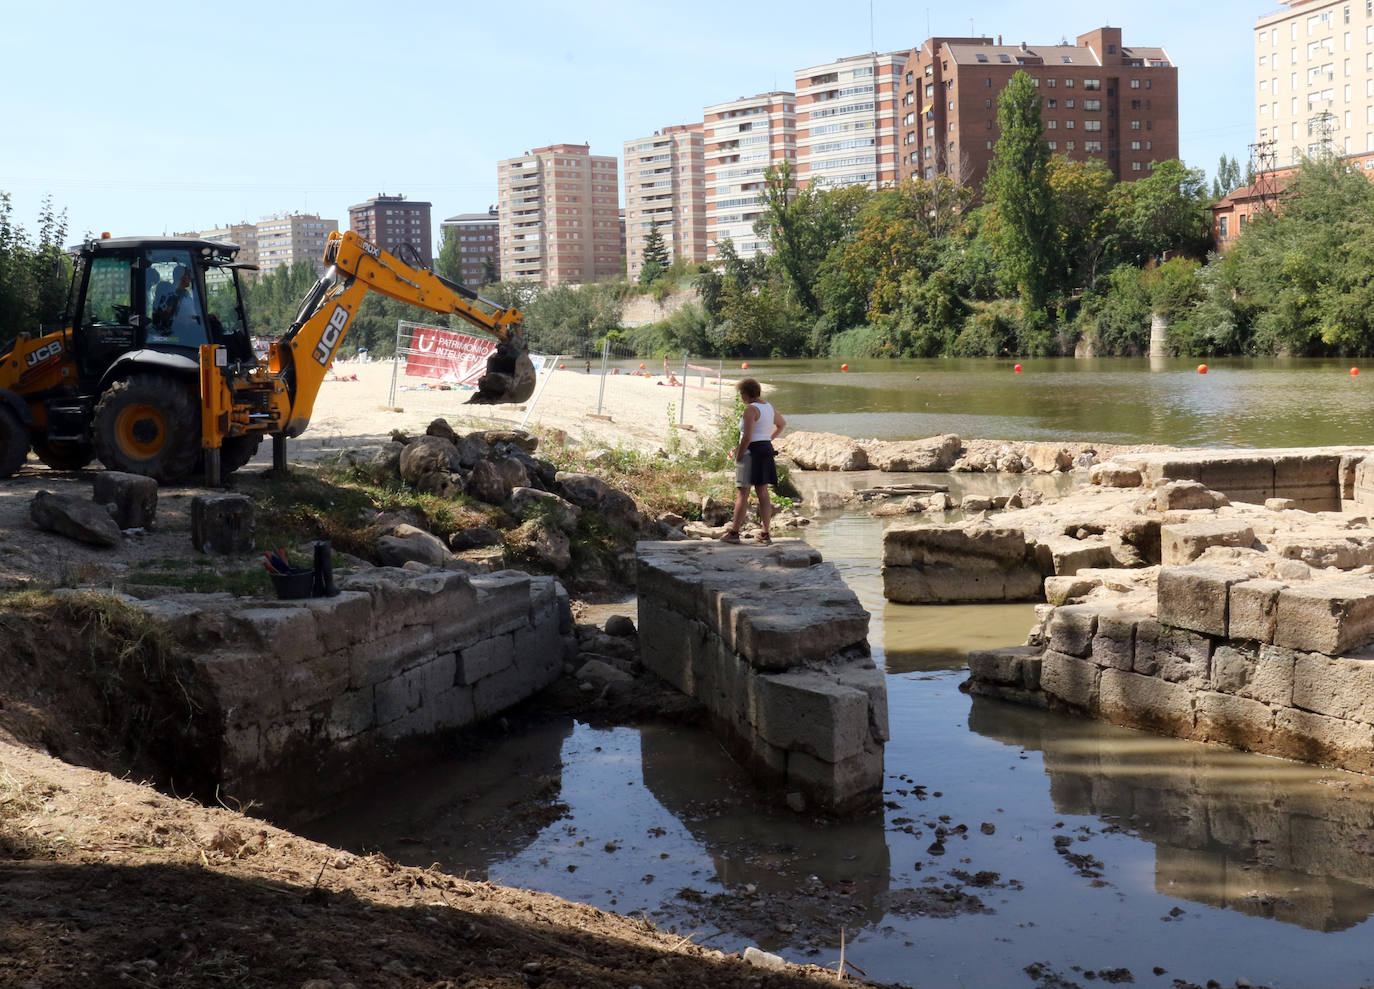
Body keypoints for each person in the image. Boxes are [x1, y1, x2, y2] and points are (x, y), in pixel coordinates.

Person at [720, 377, 786, 546]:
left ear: (745, 393)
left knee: (743, 493)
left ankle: (734, 532)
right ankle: (765, 533)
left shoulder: (750, 409)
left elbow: (747, 437)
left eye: (741, 393)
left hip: (751, 453)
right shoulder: (768, 407)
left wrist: (738, 455)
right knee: (763, 492)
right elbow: (781, 424)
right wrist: (767, 439)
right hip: (765, 451)